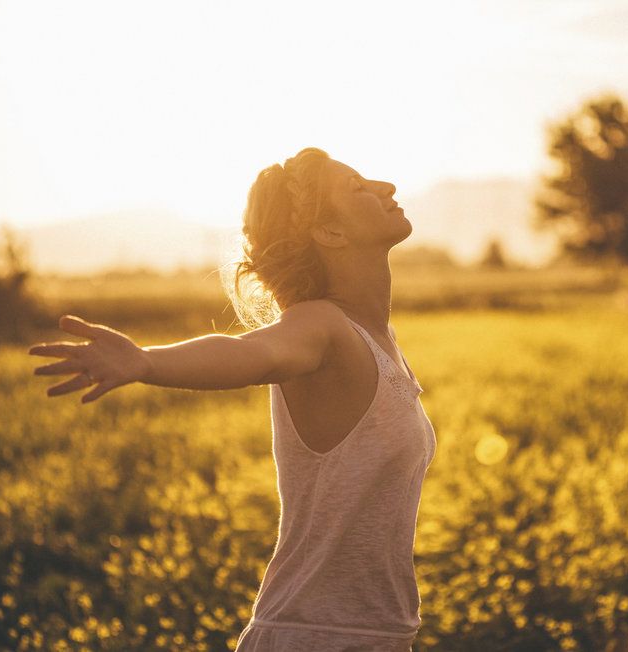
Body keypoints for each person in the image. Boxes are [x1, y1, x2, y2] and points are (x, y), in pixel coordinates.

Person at [28, 147, 437, 651]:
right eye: (357, 187)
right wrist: (147, 362)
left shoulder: (377, 339)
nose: (387, 187)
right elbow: (255, 351)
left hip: (377, 635)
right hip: (313, 636)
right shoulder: (320, 325)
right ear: (330, 233)